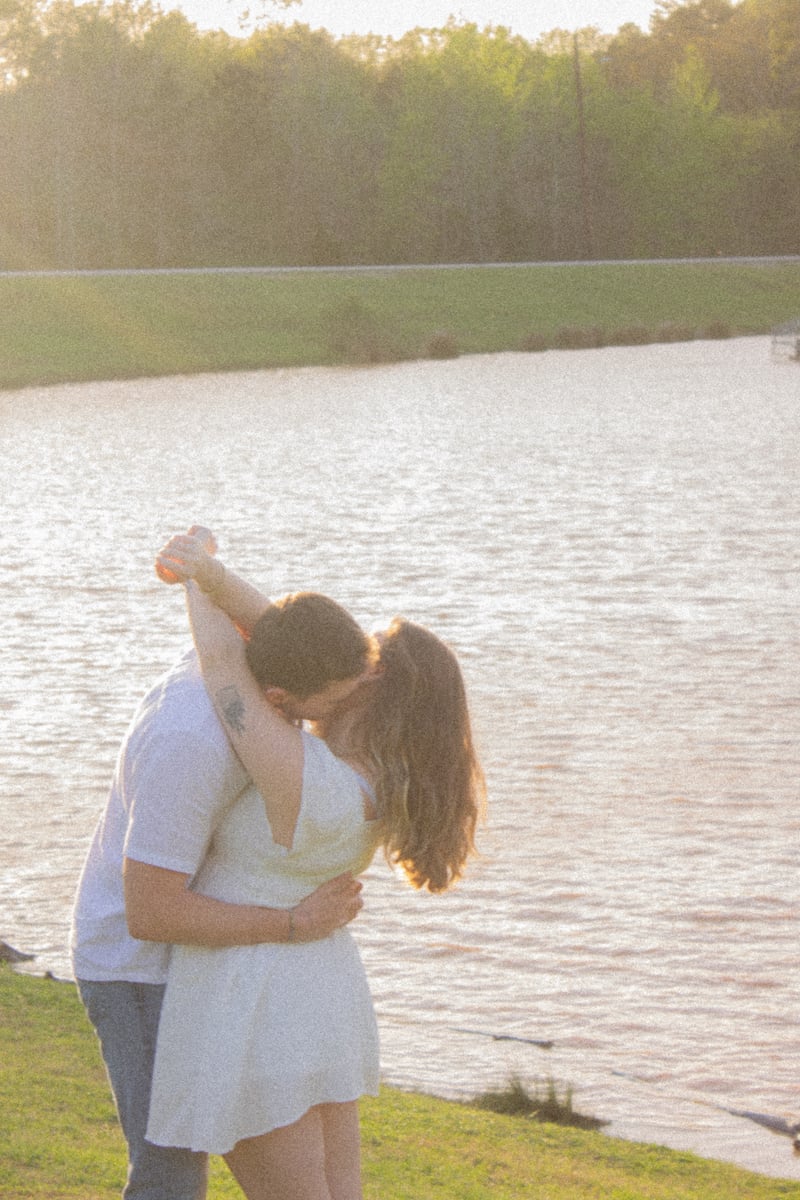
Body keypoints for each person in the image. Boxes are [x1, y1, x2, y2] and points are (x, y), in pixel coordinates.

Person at [144, 531, 486, 1200]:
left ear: (369, 685)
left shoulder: (302, 776)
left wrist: (195, 574)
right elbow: (285, 643)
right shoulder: (381, 787)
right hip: (319, 997)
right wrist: (211, 570)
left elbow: (224, 660)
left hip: (254, 1002)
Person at [70, 561, 374, 1200]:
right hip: (139, 969)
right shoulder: (196, 744)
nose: (345, 716)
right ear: (280, 703)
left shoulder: (252, 669)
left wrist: (204, 570)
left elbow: (276, 628)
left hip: (193, 959)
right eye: (336, 704)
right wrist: (295, 923)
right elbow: (150, 912)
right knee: (172, 1175)